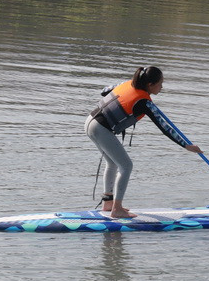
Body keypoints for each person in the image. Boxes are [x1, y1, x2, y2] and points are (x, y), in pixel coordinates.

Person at [85, 65, 201, 219]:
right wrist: (186, 145)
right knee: (126, 166)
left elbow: (105, 90)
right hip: (101, 129)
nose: (162, 87)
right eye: (160, 84)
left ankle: (108, 203)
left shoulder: (127, 84)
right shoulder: (144, 103)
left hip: (89, 122)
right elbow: (164, 127)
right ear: (150, 85)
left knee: (112, 163)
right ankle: (116, 209)